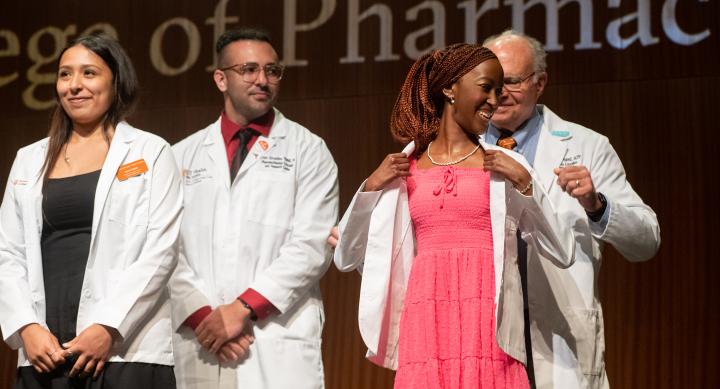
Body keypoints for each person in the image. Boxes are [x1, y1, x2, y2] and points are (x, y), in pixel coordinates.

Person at [333, 43, 575, 389]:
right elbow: (346, 255)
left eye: (500, 88)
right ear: (450, 89)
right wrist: (370, 187)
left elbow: (562, 251)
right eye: (486, 87)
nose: (495, 99)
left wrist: (525, 184)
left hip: (487, 324)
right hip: (426, 323)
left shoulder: (505, 167)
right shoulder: (405, 166)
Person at [0, 34, 182, 388]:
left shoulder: (150, 151)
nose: (74, 85)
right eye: (65, 75)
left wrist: (108, 326)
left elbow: (162, 250)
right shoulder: (29, 158)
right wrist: (27, 326)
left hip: (123, 350)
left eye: (89, 73)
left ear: (115, 82)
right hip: (45, 350)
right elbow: (7, 252)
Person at [482, 30, 661, 389]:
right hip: (484, 335)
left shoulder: (587, 146)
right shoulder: (455, 149)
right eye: (489, 82)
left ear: (540, 83)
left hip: (559, 335)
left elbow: (646, 240)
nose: (498, 94)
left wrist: (597, 206)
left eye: (512, 82)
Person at [169, 28, 339, 389]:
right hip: (202, 337)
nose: (262, 80)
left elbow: (311, 246)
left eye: (272, 71)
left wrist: (242, 309)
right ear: (220, 79)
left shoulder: (308, 150)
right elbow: (167, 250)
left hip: (274, 334)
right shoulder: (180, 155)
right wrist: (207, 319)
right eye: (248, 69)